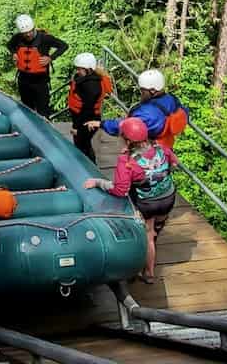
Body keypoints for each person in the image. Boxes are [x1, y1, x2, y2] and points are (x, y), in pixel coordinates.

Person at [84, 116, 178, 283]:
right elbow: (174, 163)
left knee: (148, 235)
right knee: (157, 227)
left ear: (126, 140)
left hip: (148, 202)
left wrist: (98, 182)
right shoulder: (161, 147)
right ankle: (156, 231)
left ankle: (149, 273)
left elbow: (120, 190)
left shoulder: (127, 161)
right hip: (169, 197)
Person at [89, 69, 189, 149]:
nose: (141, 93)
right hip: (166, 148)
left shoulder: (148, 114)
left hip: (147, 150)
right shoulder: (171, 99)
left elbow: (126, 126)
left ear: (153, 90)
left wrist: (102, 124)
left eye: (142, 90)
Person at [7, 15, 68, 117]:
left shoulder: (45, 39)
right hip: (24, 80)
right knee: (27, 110)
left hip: (40, 81)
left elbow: (63, 46)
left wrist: (51, 58)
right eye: (25, 33)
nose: (28, 34)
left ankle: (45, 131)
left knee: (43, 112)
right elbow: (9, 45)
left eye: (30, 31)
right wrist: (14, 53)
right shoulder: (17, 38)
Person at [67, 52, 113, 162]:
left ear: (88, 69)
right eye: (77, 69)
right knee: (83, 145)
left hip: (87, 120)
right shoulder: (84, 79)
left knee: (83, 147)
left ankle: (90, 169)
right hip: (81, 118)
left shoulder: (92, 86)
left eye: (80, 69)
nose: (77, 72)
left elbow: (87, 110)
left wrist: (77, 128)